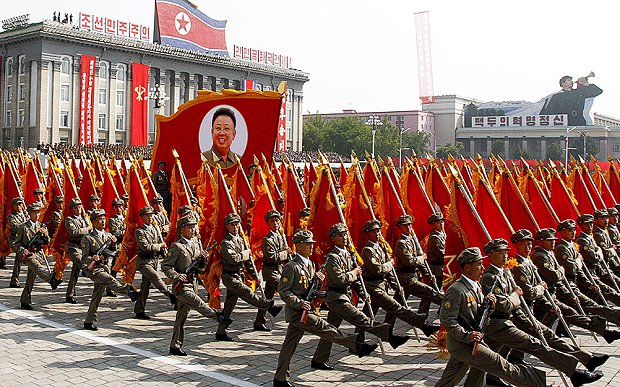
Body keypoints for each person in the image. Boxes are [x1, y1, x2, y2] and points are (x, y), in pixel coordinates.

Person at [463, 238, 603, 387]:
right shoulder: (489, 277)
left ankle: (489, 380)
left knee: (485, 359)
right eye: (499, 252)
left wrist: (527, 320)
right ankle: (574, 373)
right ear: (490, 255)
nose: (504, 256)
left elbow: (515, 306)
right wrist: (515, 295)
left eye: (505, 252)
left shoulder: (505, 272)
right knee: (535, 345)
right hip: (497, 323)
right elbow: (503, 305)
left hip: (510, 319)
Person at [274, 229, 377, 387]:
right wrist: (299, 303)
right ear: (298, 246)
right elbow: (284, 292)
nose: (311, 247)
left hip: (306, 311)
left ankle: (280, 379)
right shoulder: (291, 266)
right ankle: (357, 345)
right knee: (328, 329)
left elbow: (310, 290)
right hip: (298, 313)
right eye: (308, 244)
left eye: (311, 244)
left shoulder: (310, 264)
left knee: (289, 345)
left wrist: (318, 285)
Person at [434, 247, 547, 387]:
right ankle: (538, 383)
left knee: (449, 380)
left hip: (471, 341)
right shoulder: (456, 290)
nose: (482, 268)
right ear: (467, 267)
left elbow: (476, 314)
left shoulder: (476, 287)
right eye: (479, 265)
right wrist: (467, 336)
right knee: (500, 365)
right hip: (463, 344)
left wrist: (489, 305)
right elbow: (447, 320)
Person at [311, 223, 407, 371]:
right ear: (333, 238)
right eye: (341, 235)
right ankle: (388, 337)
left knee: (329, 330)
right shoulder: (332, 258)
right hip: (336, 298)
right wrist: (353, 273)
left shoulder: (349, 255)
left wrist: (364, 294)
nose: (344, 237)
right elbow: (339, 279)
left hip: (345, 295)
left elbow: (356, 281)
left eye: (345, 234)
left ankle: (318, 359)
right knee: (362, 319)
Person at [162, 215, 228, 356]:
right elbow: (165, 265)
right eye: (190, 227)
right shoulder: (177, 247)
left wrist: (203, 260)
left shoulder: (197, 243)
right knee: (198, 303)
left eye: (194, 226)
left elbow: (200, 269)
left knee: (181, 317)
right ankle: (218, 316)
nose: (193, 229)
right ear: (182, 229)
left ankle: (174, 345)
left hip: (193, 283)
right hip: (182, 286)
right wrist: (176, 275)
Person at [360, 219, 438, 337]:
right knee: (396, 308)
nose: (377, 234)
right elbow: (378, 270)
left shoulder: (381, 247)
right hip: (374, 286)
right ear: (367, 234)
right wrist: (390, 264)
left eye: (378, 231)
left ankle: (359, 340)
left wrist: (396, 285)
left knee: (368, 314)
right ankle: (423, 324)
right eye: (373, 232)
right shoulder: (367, 250)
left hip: (383, 286)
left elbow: (389, 271)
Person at [216, 213, 281, 341]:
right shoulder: (226, 243)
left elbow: (248, 262)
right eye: (232, 225)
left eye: (237, 224)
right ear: (227, 227)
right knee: (246, 292)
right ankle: (268, 306)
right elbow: (234, 259)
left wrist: (255, 275)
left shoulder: (241, 240)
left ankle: (220, 331)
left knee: (229, 306)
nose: (235, 227)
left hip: (239, 276)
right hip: (230, 277)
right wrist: (245, 253)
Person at [82, 209, 140, 331]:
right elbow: (84, 258)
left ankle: (88, 321)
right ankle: (128, 290)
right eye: (100, 219)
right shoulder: (88, 238)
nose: (103, 221)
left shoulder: (108, 236)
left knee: (97, 296)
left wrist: (113, 245)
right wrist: (92, 258)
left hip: (105, 267)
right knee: (110, 280)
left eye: (104, 218)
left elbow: (113, 253)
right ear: (93, 221)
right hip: (95, 269)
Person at [391, 215, 442, 322]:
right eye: (405, 225)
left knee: (395, 306)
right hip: (406, 278)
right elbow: (410, 262)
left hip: (412, 276)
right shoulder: (401, 243)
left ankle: (386, 329)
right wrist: (421, 258)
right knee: (431, 293)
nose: (409, 227)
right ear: (400, 227)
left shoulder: (412, 240)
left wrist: (428, 274)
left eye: (410, 225)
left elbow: (421, 263)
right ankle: (451, 306)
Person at [14, 203, 62, 310]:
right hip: (29, 254)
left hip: (38, 254)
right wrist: (23, 250)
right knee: (37, 267)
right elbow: (16, 243)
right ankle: (51, 279)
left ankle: (25, 300)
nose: (37, 214)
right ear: (29, 213)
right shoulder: (23, 227)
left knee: (31, 277)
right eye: (34, 212)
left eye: (38, 212)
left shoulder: (41, 226)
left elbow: (48, 241)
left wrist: (45, 234)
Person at [133, 206, 176, 320]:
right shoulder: (139, 231)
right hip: (144, 262)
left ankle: (139, 310)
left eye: (152, 215)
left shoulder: (155, 229)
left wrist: (164, 252)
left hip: (154, 261)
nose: (151, 217)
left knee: (145, 287)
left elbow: (160, 244)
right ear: (142, 217)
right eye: (148, 215)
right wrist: (159, 246)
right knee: (156, 277)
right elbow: (146, 246)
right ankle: (171, 295)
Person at [256, 210, 289, 331]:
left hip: (279, 270)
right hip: (271, 272)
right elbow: (272, 257)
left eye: (277, 220)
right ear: (268, 223)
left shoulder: (280, 236)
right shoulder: (267, 239)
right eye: (272, 221)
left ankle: (259, 321)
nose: (275, 223)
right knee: (285, 288)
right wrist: (285, 253)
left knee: (268, 297)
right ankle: (275, 310)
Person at [64, 198, 92, 304]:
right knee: (84, 266)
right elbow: (74, 232)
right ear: (71, 209)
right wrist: (87, 229)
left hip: (83, 248)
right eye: (76, 207)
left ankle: (69, 294)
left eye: (79, 207)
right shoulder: (69, 219)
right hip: (73, 248)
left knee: (75, 272)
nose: (78, 209)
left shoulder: (84, 219)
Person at [423, 212, 446, 316]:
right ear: (432, 225)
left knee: (441, 291)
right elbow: (441, 254)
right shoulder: (434, 237)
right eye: (438, 222)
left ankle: (442, 310)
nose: (441, 224)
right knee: (430, 293)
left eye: (442, 221)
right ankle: (422, 313)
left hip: (442, 267)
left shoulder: (443, 234)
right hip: (436, 269)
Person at [8, 197, 28, 286]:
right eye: (17, 205)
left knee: (20, 259)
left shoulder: (27, 215)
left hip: (25, 240)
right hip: (15, 240)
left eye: (20, 204)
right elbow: (15, 227)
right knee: (20, 255)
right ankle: (15, 280)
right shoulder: (11, 216)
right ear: (13, 206)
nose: (19, 206)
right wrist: (26, 226)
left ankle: (14, 280)